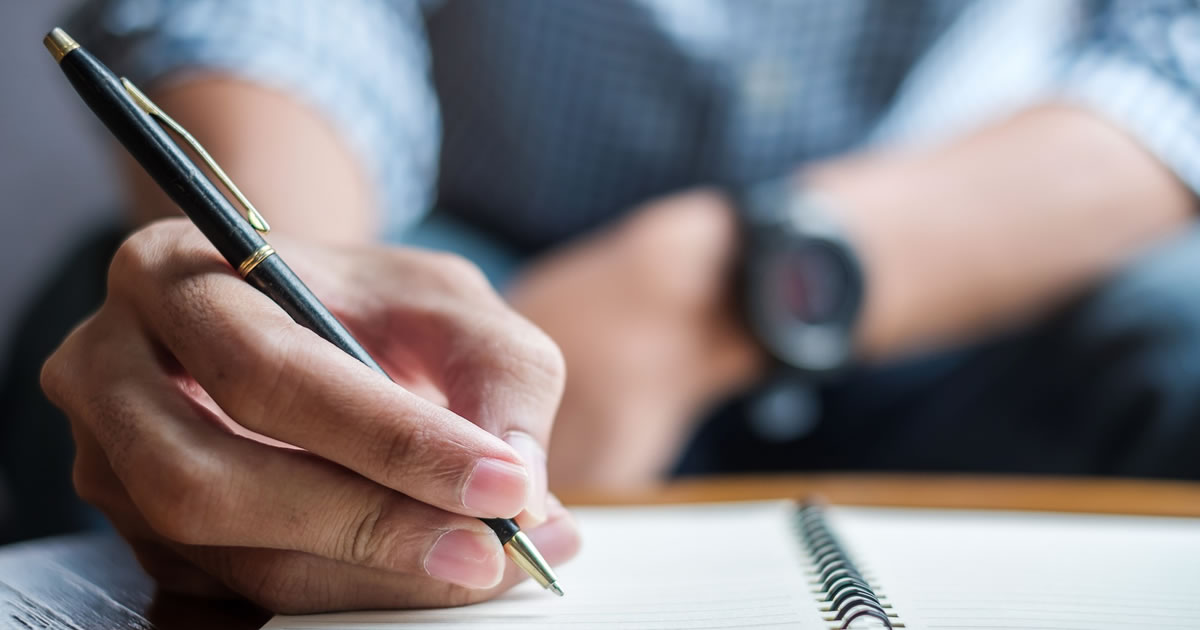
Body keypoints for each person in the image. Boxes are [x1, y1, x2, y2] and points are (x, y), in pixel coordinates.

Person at [29, 0, 1200, 613]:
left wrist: (712, 293)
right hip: (461, 268)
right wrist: (304, 312)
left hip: (940, 255)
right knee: (151, 345)